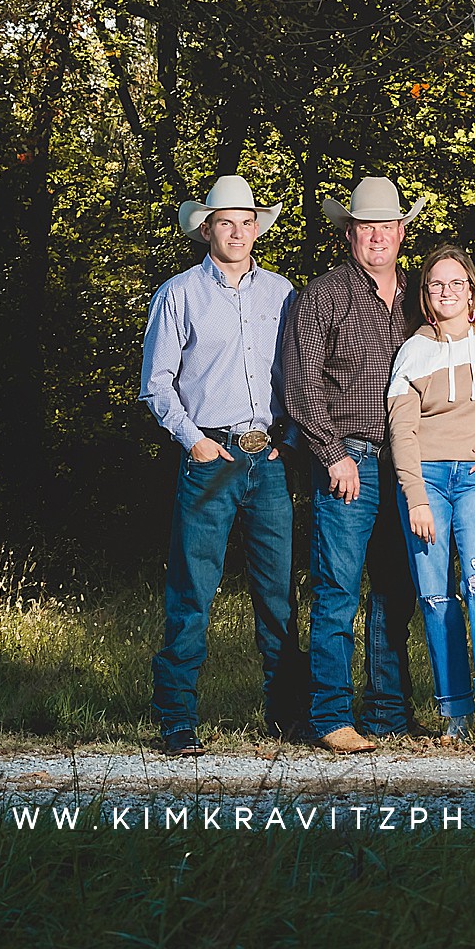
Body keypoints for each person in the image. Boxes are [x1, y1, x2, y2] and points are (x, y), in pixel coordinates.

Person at [140, 174, 304, 756]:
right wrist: (195, 442)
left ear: (258, 227)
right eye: (225, 221)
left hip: (269, 460)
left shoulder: (283, 293)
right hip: (212, 458)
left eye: (247, 220)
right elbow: (156, 385)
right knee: (193, 589)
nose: (237, 231)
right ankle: (177, 720)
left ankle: (286, 716)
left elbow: (294, 375)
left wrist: (288, 436)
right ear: (206, 227)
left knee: (278, 592)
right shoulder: (178, 294)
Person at [282, 176, 426, 753]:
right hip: (351, 461)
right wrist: (334, 454)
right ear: (349, 233)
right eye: (366, 227)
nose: (377, 237)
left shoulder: (420, 297)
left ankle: (390, 711)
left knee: (397, 590)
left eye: (387, 227)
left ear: (401, 232)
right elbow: (301, 385)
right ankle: (331, 716)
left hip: (408, 465)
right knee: (338, 591)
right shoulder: (324, 294)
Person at [387, 244, 475, 753]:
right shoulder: (413, 352)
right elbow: (402, 432)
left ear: (472, 291)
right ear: (426, 296)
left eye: (457, 282)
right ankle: (455, 709)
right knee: (436, 595)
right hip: (427, 482)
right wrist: (415, 498)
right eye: (437, 284)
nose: (448, 291)